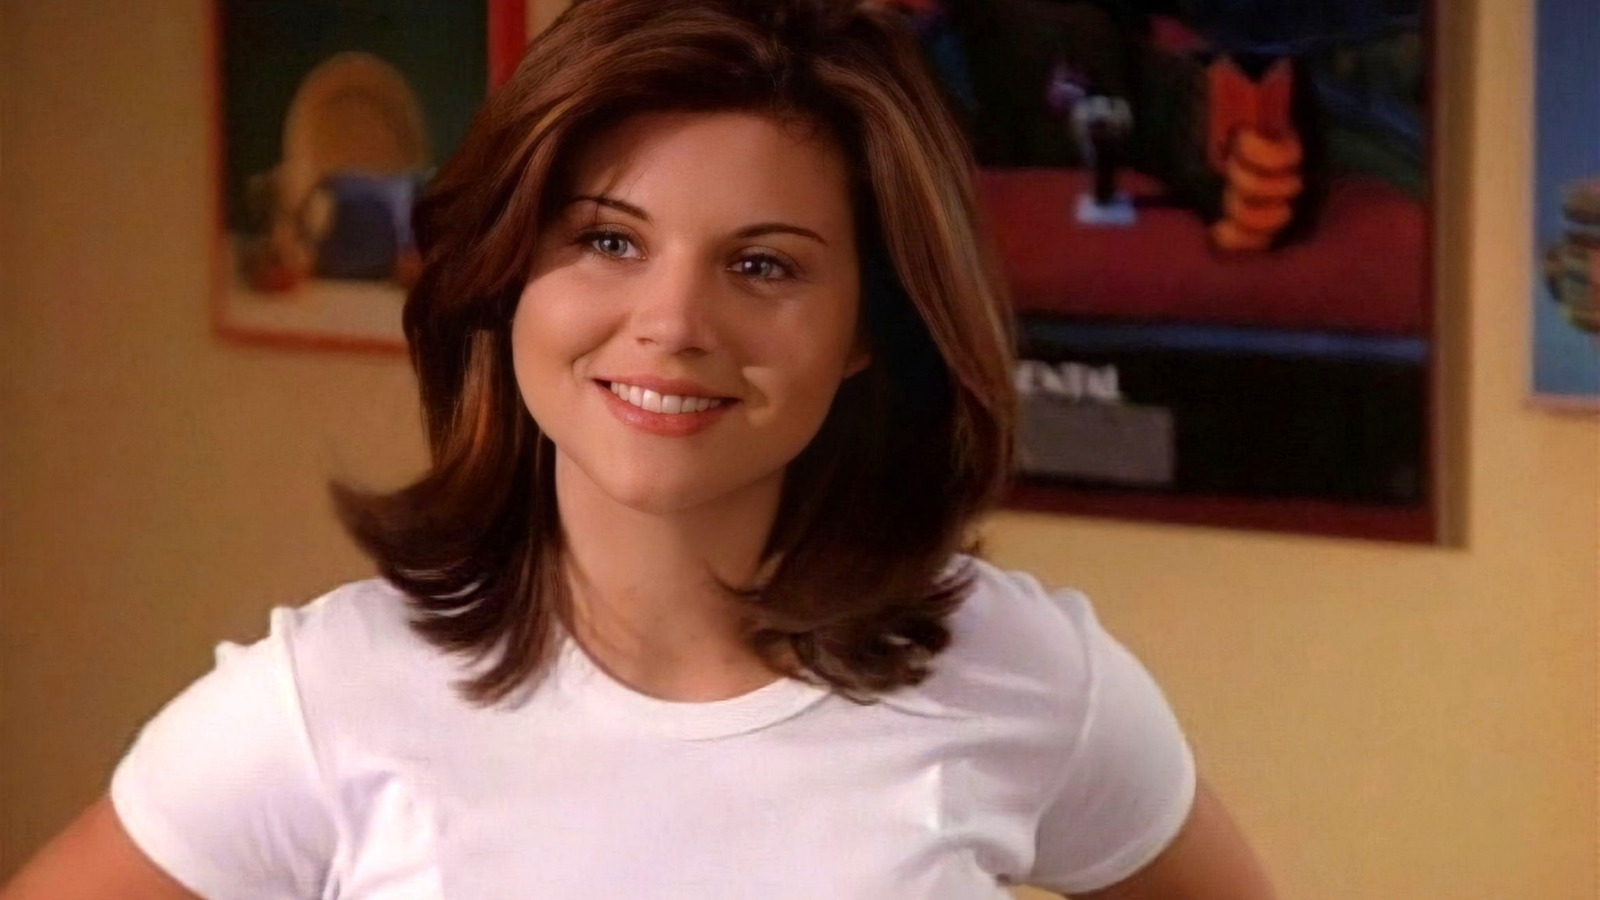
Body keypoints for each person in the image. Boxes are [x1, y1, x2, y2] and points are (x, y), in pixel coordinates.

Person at [2, 1, 1279, 897]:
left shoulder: (1023, 677)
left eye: (763, 266)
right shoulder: (322, 705)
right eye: (608, 242)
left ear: (866, 330)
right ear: (512, 274)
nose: (670, 324)